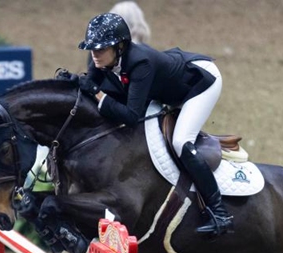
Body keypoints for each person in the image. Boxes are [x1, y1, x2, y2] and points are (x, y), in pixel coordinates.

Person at [78, 12, 233, 236]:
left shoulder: (141, 63)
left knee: (181, 142)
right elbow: (89, 84)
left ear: (119, 47)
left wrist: (99, 96)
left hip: (199, 83)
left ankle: (220, 213)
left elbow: (131, 116)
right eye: (92, 48)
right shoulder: (100, 59)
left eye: (101, 49)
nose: (95, 54)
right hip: (166, 82)